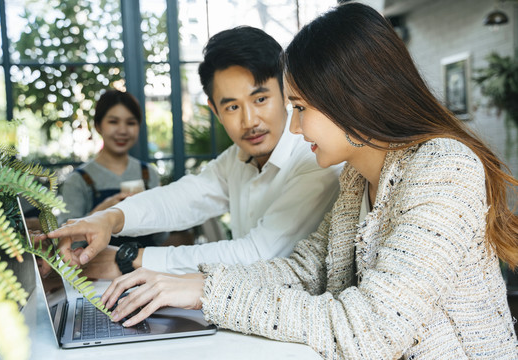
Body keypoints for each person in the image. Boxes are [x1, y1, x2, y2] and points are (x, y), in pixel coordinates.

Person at [94, 3, 518, 359]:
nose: (293, 127)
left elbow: (371, 329)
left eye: (299, 107)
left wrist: (209, 295)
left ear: (349, 98)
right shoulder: (357, 179)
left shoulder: (443, 166)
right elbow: (305, 270)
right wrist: (198, 285)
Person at [47, 26, 342, 277]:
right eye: (232, 106)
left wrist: (127, 260)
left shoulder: (314, 158)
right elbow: (181, 199)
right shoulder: (237, 160)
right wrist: (109, 219)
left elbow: (258, 254)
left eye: (261, 99)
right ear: (215, 110)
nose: (249, 121)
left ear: (286, 93)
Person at [57, 89, 164, 247]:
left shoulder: (149, 174)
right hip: (96, 269)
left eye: (131, 123)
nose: (122, 130)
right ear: (98, 126)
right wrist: (102, 212)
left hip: (147, 266)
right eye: (113, 122)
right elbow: (66, 242)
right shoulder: (78, 180)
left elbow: (161, 237)